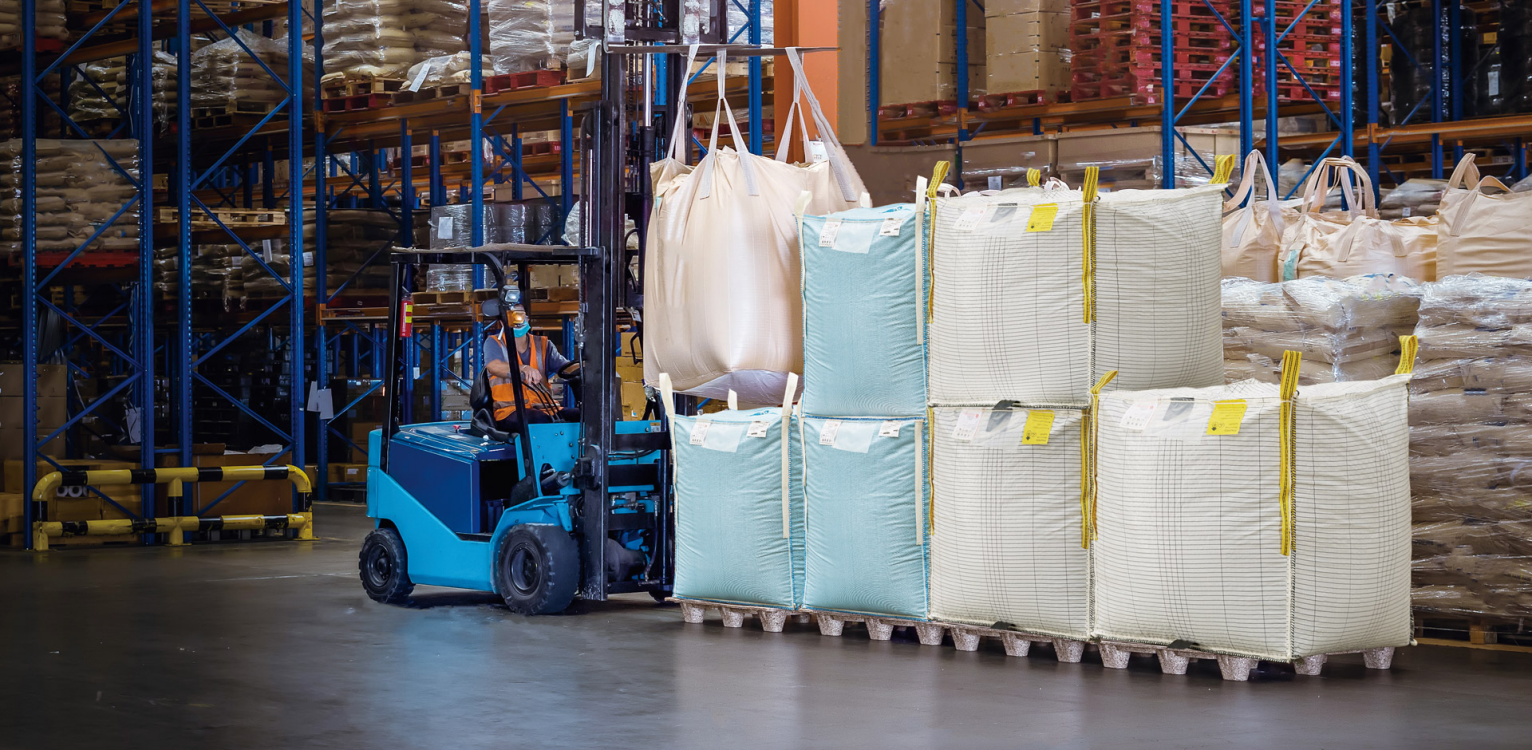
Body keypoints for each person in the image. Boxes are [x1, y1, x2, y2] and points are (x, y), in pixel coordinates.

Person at [484, 305, 580, 431]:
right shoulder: (494, 342)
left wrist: (587, 368)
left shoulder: (543, 344)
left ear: (527, 319)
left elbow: (566, 368)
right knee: (540, 420)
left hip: (547, 408)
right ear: (502, 322)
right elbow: (494, 366)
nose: (518, 320)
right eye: (513, 317)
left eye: (521, 315)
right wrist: (523, 368)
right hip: (510, 410)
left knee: (584, 416)